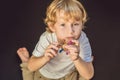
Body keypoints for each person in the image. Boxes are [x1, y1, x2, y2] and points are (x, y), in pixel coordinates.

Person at [17, 0, 94, 80]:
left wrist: (77, 59)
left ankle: (86, 62)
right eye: (63, 25)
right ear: (52, 27)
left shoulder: (82, 40)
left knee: (84, 71)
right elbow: (31, 67)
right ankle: (25, 61)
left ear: (82, 24)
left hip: (68, 75)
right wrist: (45, 58)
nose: (70, 31)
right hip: (45, 75)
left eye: (75, 24)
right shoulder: (47, 38)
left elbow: (89, 75)